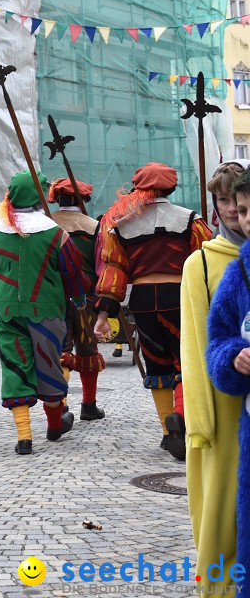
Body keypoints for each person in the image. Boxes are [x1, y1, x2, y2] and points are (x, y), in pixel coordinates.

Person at [93, 163, 212, 459]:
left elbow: (115, 269)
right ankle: (181, 419)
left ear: (139, 188)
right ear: (172, 187)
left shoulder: (121, 226)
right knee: (187, 361)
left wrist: (103, 314)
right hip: (180, 297)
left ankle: (165, 429)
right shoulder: (191, 221)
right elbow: (206, 262)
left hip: (144, 301)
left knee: (157, 364)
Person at [0, 171, 87, 455]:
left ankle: (24, 436)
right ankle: (53, 424)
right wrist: (79, 299)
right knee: (49, 367)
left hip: (8, 311)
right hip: (47, 311)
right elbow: (73, 274)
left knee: (15, 367)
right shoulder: (56, 235)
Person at [182, 161, 247, 592]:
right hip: (223, 408)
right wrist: (200, 423)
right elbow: (195, 345)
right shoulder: (200, 264)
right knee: (224, 510)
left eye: (235, 201)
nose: (228, 210)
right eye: (221, 200)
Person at [205, 170, 250, 595]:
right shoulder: (238, 275)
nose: (244, 218)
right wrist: (233, 357)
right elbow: (215, 341)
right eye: (242, 210)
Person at [47, 179, 106, 421]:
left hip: (52, 296)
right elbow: (103, 263)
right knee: (87, 349)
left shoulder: (44, 226)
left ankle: (60, 405)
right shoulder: (94, 227)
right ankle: (88, 404)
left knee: (61, 350)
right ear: (83, 200)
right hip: (86, 296)